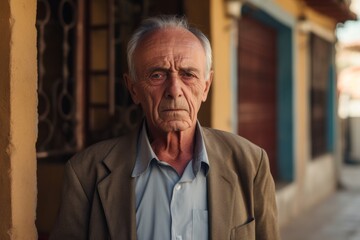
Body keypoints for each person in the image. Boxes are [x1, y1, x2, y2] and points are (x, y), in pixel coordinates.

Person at [50, 15, 280, 240]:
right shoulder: (86, 172)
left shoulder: (250, 163)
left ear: (206, 87)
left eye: (188, 74)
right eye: (157, 75)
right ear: (133, 89)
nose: (174, 90)